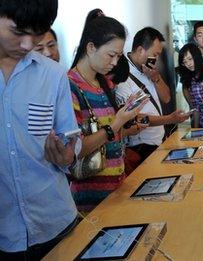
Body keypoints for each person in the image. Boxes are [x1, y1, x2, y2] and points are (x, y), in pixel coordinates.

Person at [0, 0, 79, 259]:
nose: (27, 44)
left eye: (36, 34)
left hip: (55, 222)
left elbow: (70, 139)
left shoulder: (53, 74)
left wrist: (68, 156)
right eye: (18, 32)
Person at [69, 15, 146, 213]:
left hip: (116, 188)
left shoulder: (105, 83)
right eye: (111, 55)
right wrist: (116, 123)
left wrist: (125, 115)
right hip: (90, 198)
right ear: (90, 47)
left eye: (119, 56)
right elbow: (75, 150)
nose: (114, 62)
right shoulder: (70, 87)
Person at [116, 27, 188, 162]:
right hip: (140, 146)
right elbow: (133, 118)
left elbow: (166, 98)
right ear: (140, 50)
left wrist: (156, 77)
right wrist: (169, 119)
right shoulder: (122, 75)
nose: (156, 59)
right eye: (154, 54)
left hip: (158, 140)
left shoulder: (149, 69)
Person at [176, 43, 203, 128]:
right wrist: (195, 130)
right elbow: (194, 108)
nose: (188, 64)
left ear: (197, 56)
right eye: (184, 62)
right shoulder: (188, 80)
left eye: (190, 59)